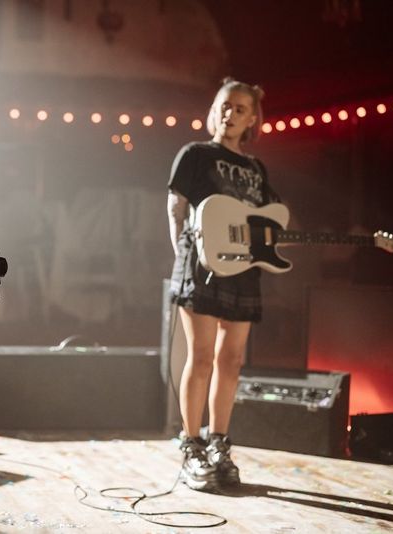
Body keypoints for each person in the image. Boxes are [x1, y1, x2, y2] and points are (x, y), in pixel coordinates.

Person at [166, 77, 279, 491]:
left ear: (252, 120)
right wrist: (181, 252)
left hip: (243, 271)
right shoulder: (195, 154)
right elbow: (175, 205)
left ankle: (219, 444)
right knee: (201, 358)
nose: (231, 114)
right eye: (225, 106)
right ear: (215, 110)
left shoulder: (256, 169)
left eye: (240, 109)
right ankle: (191, 445)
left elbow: (268, 219)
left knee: (231, 360)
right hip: (202, 265)